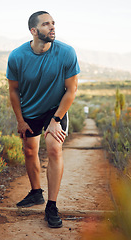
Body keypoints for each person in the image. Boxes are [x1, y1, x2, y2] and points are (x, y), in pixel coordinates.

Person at [6, 11, 80, 228]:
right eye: (46, 24)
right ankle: (36, 193)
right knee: (29, 150)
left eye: (53, 23)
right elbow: (13, 91)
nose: (52, 27)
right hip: (29, 109)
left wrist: (56, 119)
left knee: (54, 148)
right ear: (34, 31)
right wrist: (20, 120)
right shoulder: (17, 56)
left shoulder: (66, 52)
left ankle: (51, 206)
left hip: (55, 109)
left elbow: (71, 90)